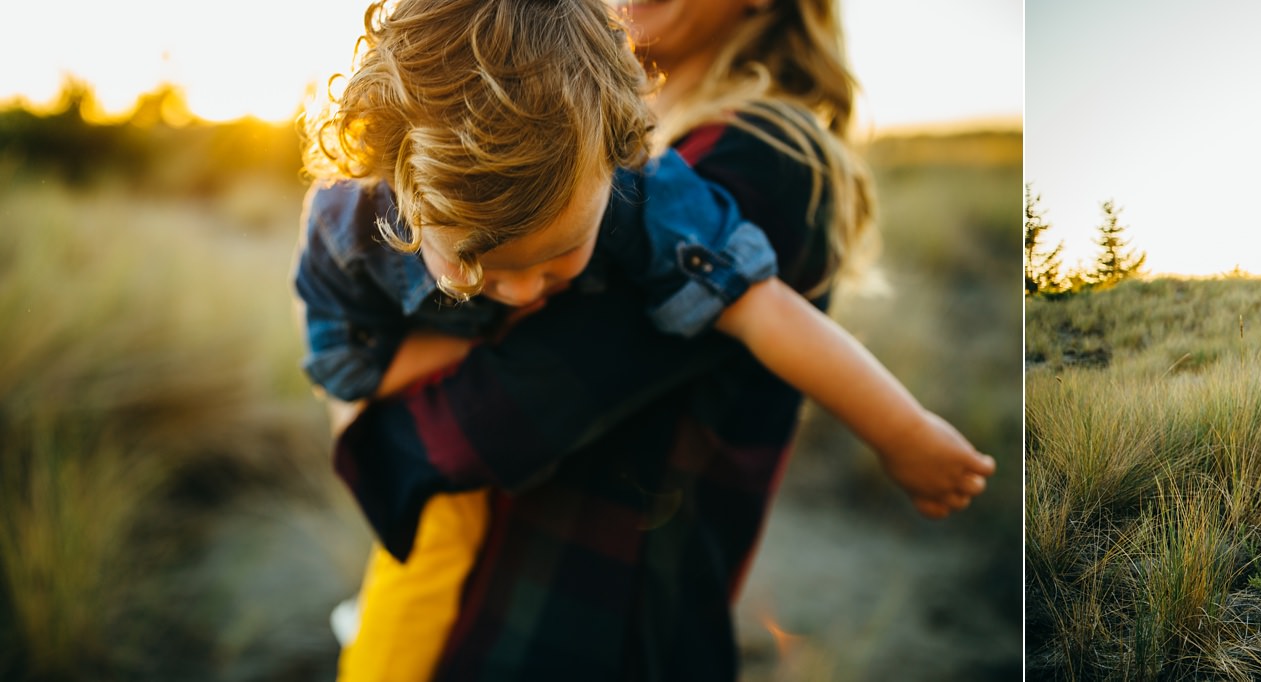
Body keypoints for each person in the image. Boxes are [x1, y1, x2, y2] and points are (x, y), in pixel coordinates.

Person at [295, 0, 994, 678]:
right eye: (478, 267)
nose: (528, 292)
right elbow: (339, 350)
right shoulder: (400, 192)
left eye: (559, 256)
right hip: (503, 593)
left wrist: (904, 433)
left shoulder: (736, 165)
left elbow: (486, 422)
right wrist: (354, 383)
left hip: (599, 626)